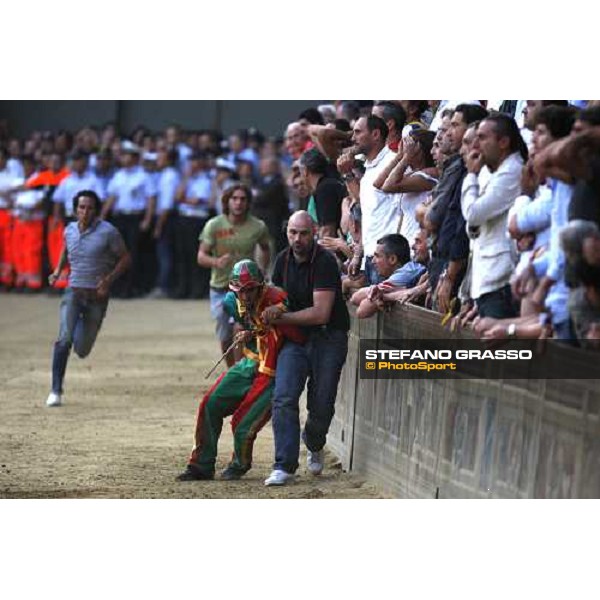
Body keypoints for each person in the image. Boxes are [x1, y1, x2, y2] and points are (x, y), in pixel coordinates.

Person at [177, 259, 305, 482]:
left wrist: (279, 312)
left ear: (260, 286)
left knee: (242, 422)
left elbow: (291, 325)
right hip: (250, 362)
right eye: (240, 291)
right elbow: (251, 324)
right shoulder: (230, 301)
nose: (244, 296)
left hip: (273, 368)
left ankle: (239, 464)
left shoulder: (276, 298)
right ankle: (201, 465)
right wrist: (250, 333)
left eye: (249, 290)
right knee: (210, 404)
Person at [262, 211, 350, 486]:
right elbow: (278, 299)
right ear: (286, 232)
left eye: (303, 233)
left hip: (328, 336)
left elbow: (321, 314)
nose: (297, 239)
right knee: (284, 397)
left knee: (321, 403)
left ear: (313, 233)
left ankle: (314, 441)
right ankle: (284, 465)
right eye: (292, 233)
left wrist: (281, 316)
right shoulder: (282, 260)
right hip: (295, 339)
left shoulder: (324, 262)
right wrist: (270, 312)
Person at [46, 190, 131, 407]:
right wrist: (57, 271)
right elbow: (66, 250)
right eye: (82, 207)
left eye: (90, 207)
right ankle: (56, 390)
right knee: (63, 340)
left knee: (82, 349)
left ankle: (76, 327)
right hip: (73, 292)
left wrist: (108, 281)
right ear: (75, 209)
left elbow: (125, 258)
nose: (85, 212)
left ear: (97, 210)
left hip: (97, 297)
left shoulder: (108, 232)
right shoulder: (69, 230)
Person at [197, 184, 271, 367]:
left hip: (246, 291)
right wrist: (216, 262)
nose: (238, 203)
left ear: (248, 203)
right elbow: (201, 256)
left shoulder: (258, 226)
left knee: (240, 329)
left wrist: (261, 269)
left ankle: (241, 370)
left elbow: (265, 248)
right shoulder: (214, 225)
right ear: (227, 202)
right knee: (224, 335)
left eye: (243, 199)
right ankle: (231, 371)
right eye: (234, 199)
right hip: (220, 288)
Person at [462, 114, 527, 318]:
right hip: (486, 275)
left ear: (504, 142)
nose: (476, 144)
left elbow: (473, 214)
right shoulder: (490, 171)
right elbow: (473, 225)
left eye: (482, 137)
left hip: (500, 277)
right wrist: (474, 223)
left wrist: (470, 175)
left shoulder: (512, 171)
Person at [350, 233, 426, 318]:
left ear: (392, 259)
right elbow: (355, 298)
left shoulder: (407, 272)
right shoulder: (406, 270)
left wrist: (382, 297)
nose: (373, 261)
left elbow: (361, 310)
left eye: (377, 256)